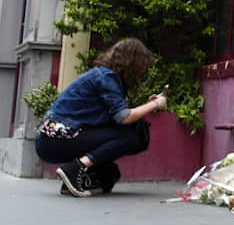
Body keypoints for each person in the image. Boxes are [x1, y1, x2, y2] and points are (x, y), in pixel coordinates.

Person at [34, 38, 165, 197]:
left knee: (109, 172)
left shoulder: (103, 76)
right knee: (133, 134)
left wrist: (148, 104)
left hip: (53, 137)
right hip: (58, 137)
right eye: (141, 66)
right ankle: (76, 169)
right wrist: (155, 105)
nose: (143, 72)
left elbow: (116, 114)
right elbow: (123, 117)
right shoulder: (106, 78)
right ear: (132, 64)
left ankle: (75, 180)